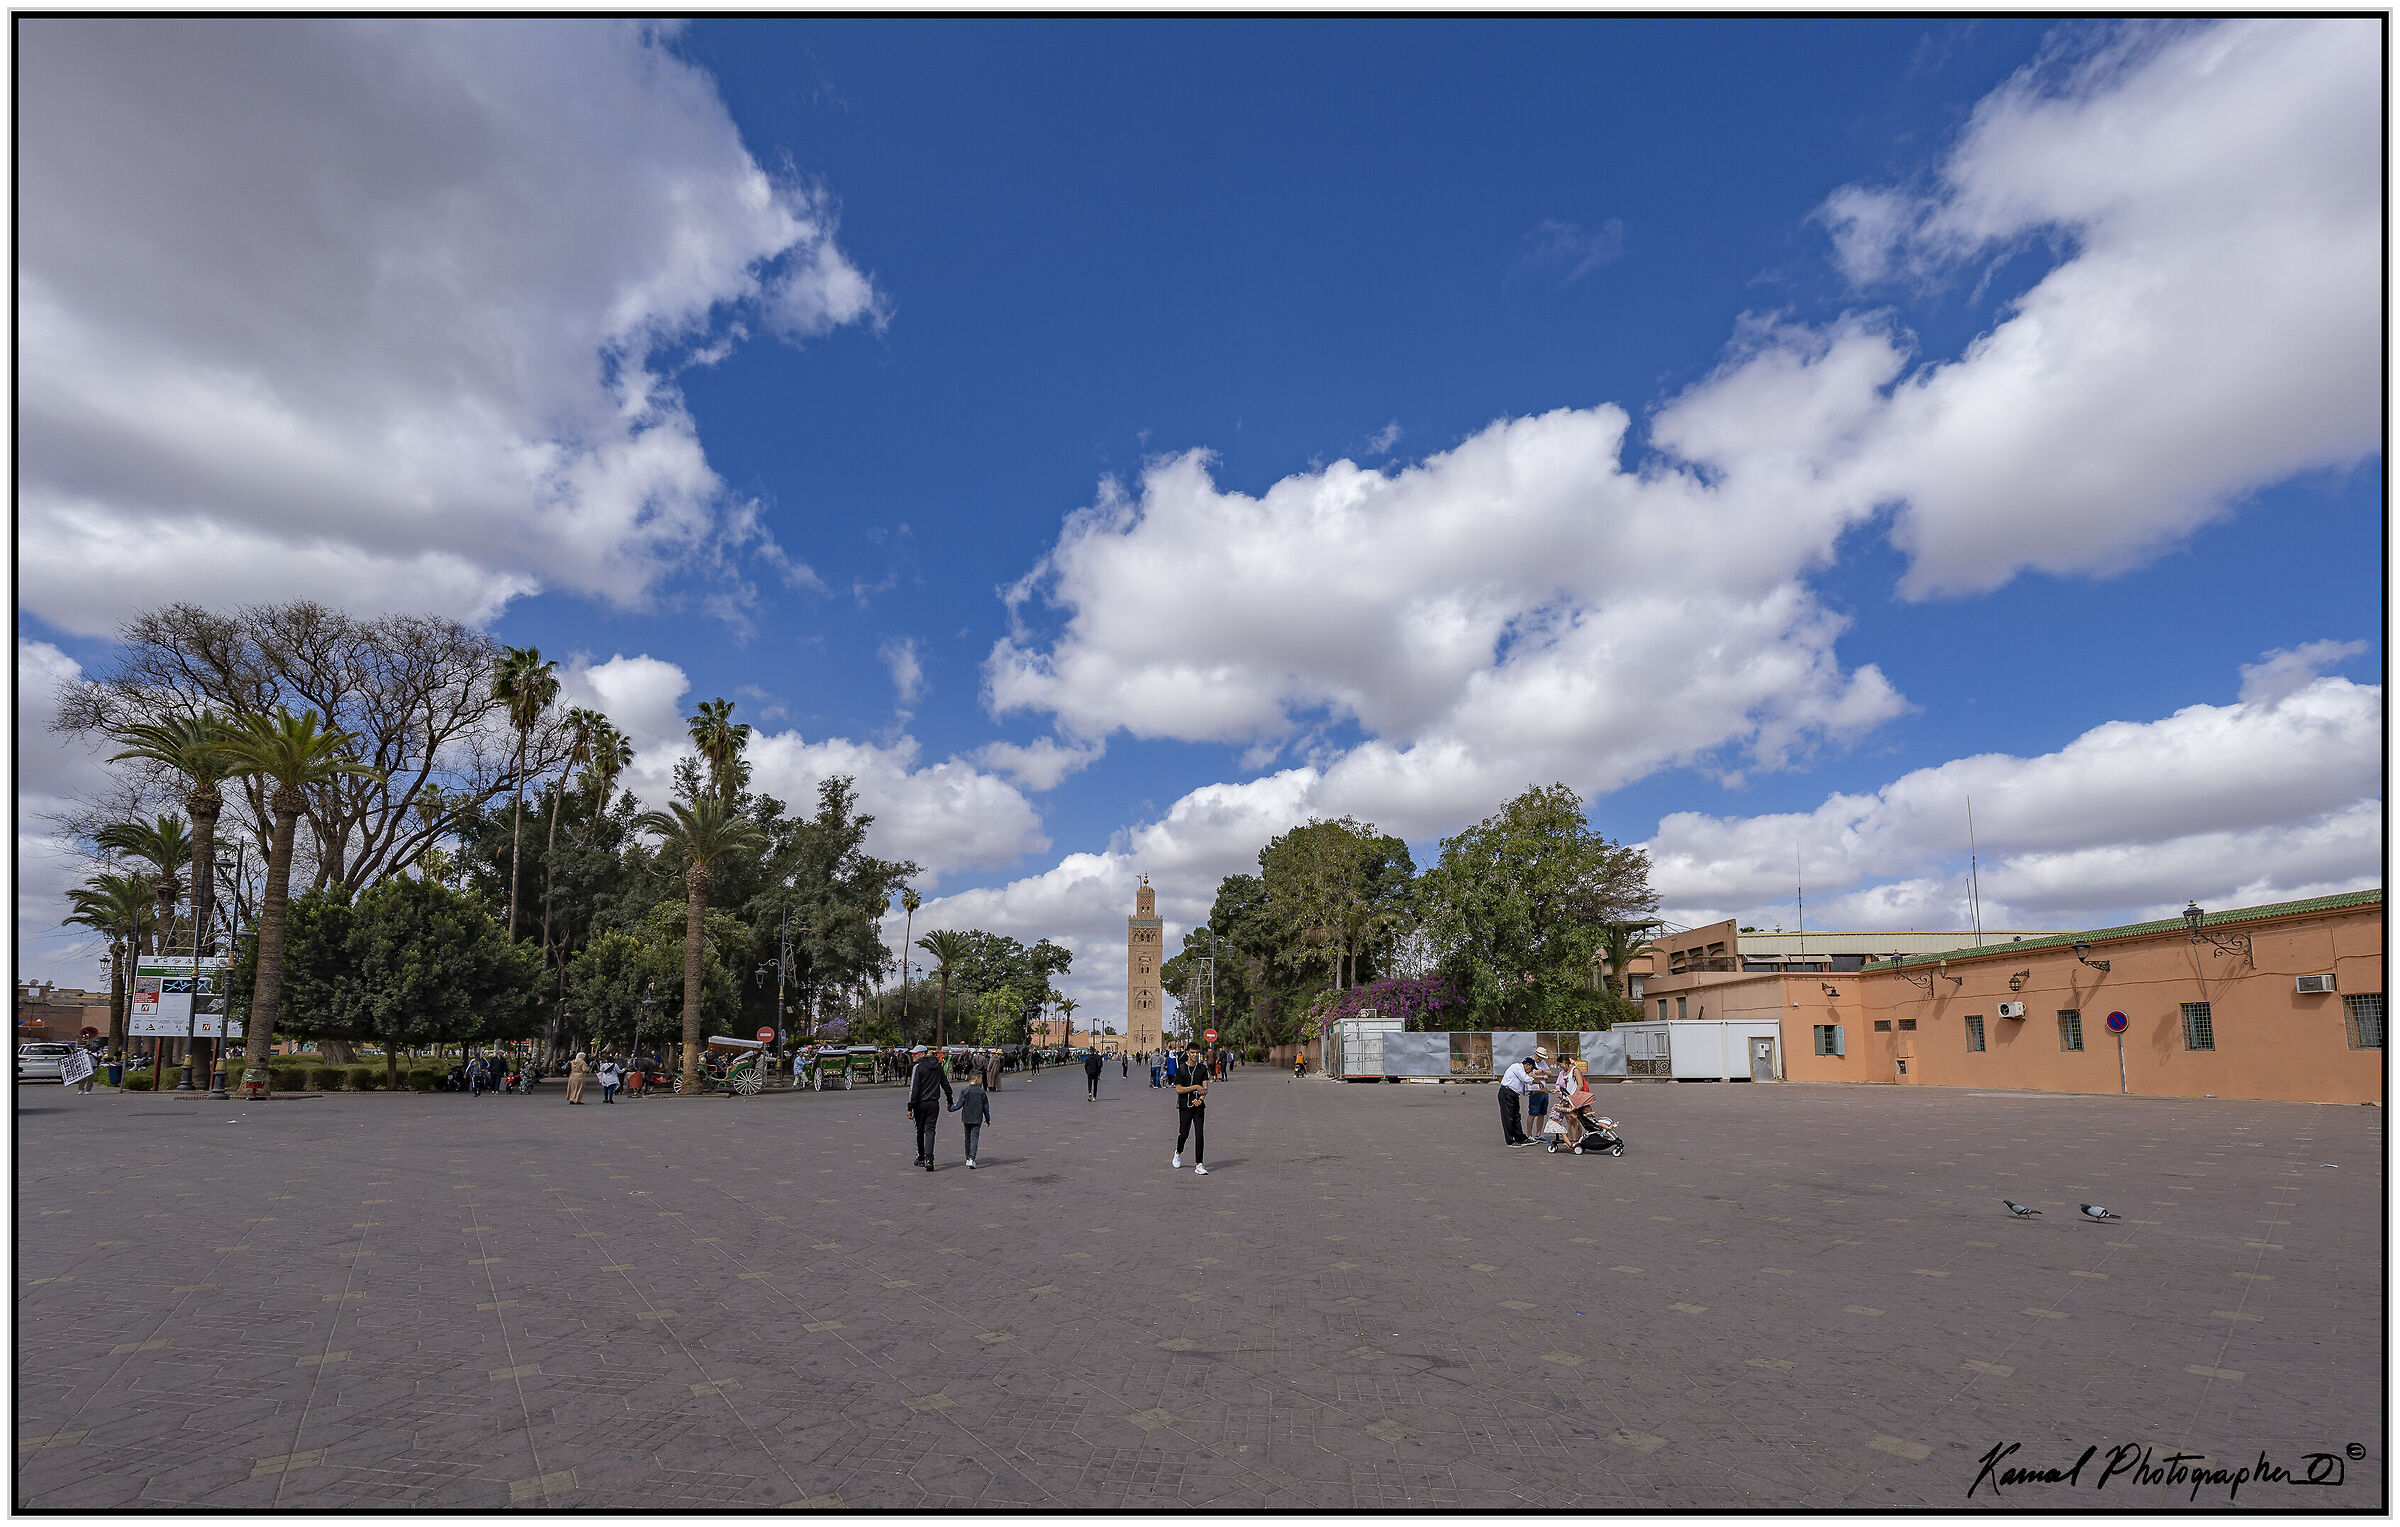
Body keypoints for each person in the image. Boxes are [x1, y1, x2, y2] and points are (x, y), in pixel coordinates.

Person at [904, 1045, 952, 1170]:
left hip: (920, 1104)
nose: (913, 1056)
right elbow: (945, 1084)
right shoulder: (938, 1067)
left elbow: (914, 1089)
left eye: (915, 1053)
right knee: (930, 1131)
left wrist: (910, 1107)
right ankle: (929, 1159)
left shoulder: (918, 1068)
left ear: (923, 1054)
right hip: (933, 1104)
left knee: (920, 1131)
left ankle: (921, 1158)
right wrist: (949, 1100)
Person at [1171, 1046, 1209, 1175]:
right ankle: (1178, 1152)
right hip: (1184, 1107)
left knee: (1199, 1134)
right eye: (1192, 1052)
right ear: (1188, 1053)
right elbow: (1179, 1089)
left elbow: (1205, 1088)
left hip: (1198, 1107)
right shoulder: (1181, 1069)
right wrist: (1195, 1087)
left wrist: (1201, 1099)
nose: (1195, 1055)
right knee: (1184, 1134)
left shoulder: (1202, 1068)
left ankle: (1199, 1164)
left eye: (1197, 1053)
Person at [952, 1072, 992, 1168]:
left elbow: (959, 1104)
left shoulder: (965, 1090)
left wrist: (951, 1109)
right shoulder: (981, 1092)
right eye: (981, 1078)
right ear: (977, 1078)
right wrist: (988, 1119)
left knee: (967, 1138)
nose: (982, 1080)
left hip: (966, 1117)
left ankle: (967, 1157)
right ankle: (971, 1158)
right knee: (974, 1138)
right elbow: (986, 1107)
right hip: (977, 1118)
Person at [1497, 1054, 1535, 1147]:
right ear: (1528, 1065)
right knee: (1508, 1117)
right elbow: (1525, 1079)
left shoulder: (1521, 1073)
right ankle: (1510, 1140)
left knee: (1516, 1117)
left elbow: (1523, 1091)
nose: (1531, 1071)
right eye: (1532, 1068)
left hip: (1514, 1095)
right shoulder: (1517, 1067)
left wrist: (1535, 1092)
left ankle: (1520, 1138)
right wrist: (1538, 1080)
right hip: (1507, 1092)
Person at [1526, 1047, 1553, 1142]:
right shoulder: (1529, 1061)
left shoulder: (1542, 1063)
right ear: (1535, 1054)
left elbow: (1550, 1072)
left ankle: (1538, 1134)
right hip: (1535, 1091)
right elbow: (1528, 1075)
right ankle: (1529, 1135)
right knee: (1532, 1113)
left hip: (1543, 1091)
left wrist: (1542, 1070)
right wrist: (1541, 1076)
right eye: (1540, 1057)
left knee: (1542, 1113)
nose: (1541, 1059)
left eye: (1542, 1057)